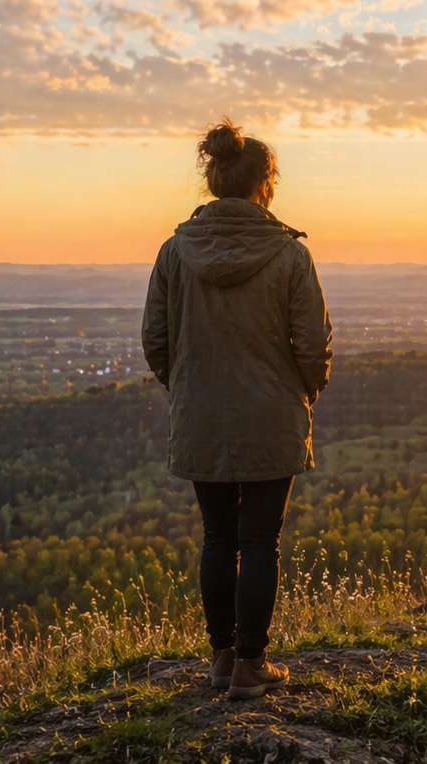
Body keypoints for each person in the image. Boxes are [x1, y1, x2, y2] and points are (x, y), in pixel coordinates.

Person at [141, 119, 333, 700]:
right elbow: (313, 345)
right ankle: (252, 664)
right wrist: (304, 393)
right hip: (272, 416)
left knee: (218, 538)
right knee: (260, 542)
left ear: (214, 179)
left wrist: (189, 391)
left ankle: (222, 661)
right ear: (264, 184)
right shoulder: (290, 255)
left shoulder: (174, 253)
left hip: (201, 417)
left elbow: (155, 340)